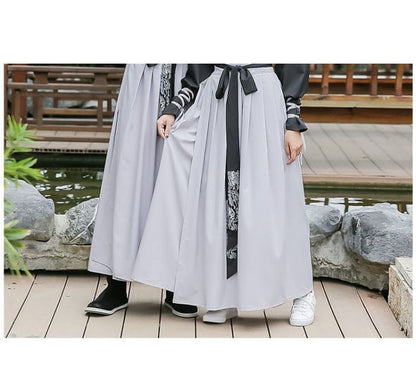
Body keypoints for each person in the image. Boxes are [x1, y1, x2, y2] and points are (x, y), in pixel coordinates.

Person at [132, 64, 316, 326]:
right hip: (217, 100)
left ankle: (303, 291)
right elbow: (200, 67)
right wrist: (175, 107)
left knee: (277, 198)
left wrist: (292, 121)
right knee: (217, 201)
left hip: (262, 99)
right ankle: (225, 296)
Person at [85, 64, 198, 318]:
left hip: (186, 77)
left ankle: (176, 286)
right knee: (128, 179)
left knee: (179, 183)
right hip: (143, 79)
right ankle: (116, 284)